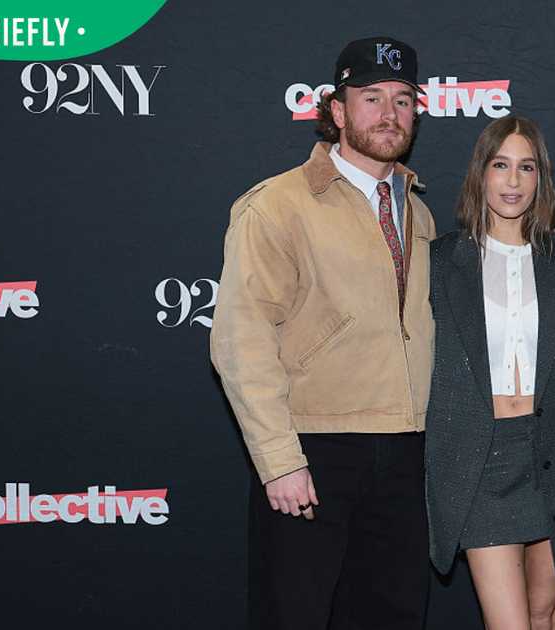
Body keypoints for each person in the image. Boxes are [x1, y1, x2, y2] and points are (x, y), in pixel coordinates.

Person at [210, 37, 435, 630]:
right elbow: (241, 338)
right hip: (315, 449)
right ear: (337, 110)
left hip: (407, 448)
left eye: (402, 100)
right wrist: (280, 460)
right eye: (370, 98)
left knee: (392, 616)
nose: (389, 114)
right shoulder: (277, 206)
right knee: (295, 615)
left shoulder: (418, 207)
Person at [426, 115, 555, 630]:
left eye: (526, 168)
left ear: (540, 178)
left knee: (545, 612)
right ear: (480, 174)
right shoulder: (440, 262)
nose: (512, 181)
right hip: (482, 458)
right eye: (500, 165)